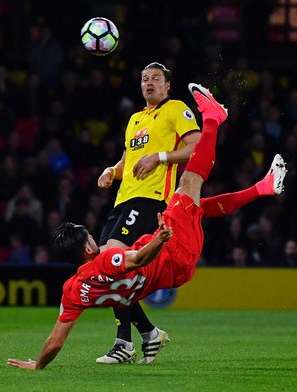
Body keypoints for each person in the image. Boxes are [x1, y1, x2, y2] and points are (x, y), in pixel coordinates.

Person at [7, 84, 287, 370]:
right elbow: (137, 258)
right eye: (91, 236)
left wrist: (38, 365)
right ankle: (214, 117)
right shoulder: (106, 259)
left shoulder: (73, 291)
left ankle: (263, 187)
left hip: (173, 273)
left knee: (195, 206)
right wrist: (161, 238)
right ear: (89, 247)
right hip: (173, 250)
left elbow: (56, 340)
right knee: (188, 183)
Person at [95, 62, 201, 364]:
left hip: (151, 200)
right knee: (107, 266)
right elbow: (128, 160)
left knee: (113, 261)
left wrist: (160, 157)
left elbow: (196, 147)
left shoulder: (175, 109)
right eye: (144, 79)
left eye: (156, 79)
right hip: (122, 202)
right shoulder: (135, 119)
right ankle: (149, 333)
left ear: (168, 86)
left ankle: (123, 343)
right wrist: (111, 171)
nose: (149, 83)